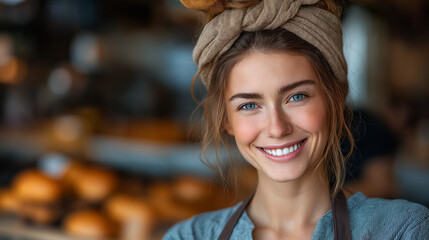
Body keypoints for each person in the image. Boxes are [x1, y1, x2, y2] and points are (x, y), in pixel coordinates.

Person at [164, 0, 429, 239]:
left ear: (334, 99)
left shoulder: (403, 230)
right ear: (227, 121)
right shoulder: (188, 237)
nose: (277, 128)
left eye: (297, 96)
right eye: (249, 105)